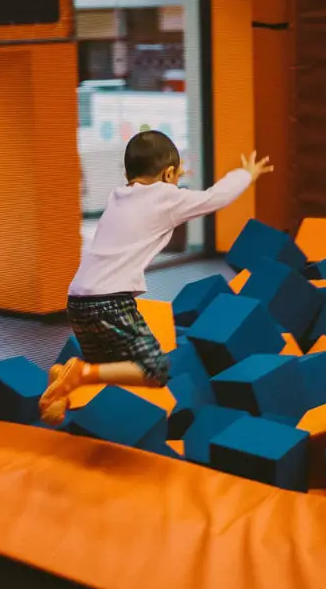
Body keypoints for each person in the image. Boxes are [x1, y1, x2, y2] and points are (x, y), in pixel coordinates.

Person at [38, 130, 274, 425]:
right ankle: (78, 373)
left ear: (128, 172)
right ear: (169, 174)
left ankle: (61, 387)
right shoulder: (166, 197)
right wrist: (246, 174)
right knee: (154, 369)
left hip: (77, 301)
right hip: (109, 303)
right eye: (176, 177)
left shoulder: (118, 197)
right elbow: (216, 197)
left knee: (111, 367)